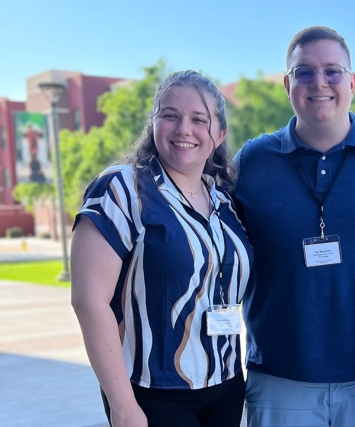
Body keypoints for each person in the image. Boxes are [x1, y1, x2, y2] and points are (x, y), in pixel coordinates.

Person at [233, 26, 355, 427]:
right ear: (287, 84)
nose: (319, 82)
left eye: (332, 71)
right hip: (280, 380)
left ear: (352, 82)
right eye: (304, 72)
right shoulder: (252, 162)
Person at [70, 70, 253, 427]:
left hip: (226, 384)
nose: (184, 128)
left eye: (199, 119)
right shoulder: (122, 190)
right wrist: (122, 405)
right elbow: (88, 301)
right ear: (154, 123)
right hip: (153, 393)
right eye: (170, 115)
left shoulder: (224, 202)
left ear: (219, 135)